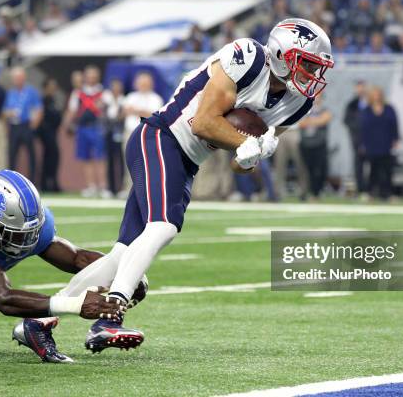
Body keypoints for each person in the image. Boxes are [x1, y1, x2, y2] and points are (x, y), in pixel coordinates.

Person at [50, 18, 334, 352]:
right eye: (308, 65)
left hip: (187, 163)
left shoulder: (297, 103)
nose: (313, 76)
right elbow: (203, 122)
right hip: (160, 136)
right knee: (163, 227)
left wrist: (254, 154)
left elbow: (239, 164)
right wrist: (246, 142)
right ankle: (109, 318)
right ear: (282, 55)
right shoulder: (247, 57)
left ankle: (41, 318)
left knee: (122, 254)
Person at [0, 169, 136, 363]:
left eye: (32, 232)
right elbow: (4, 299)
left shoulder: (34, 225)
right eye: (16, 234)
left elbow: (77, 258)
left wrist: (125, 271)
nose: (26, 241)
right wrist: (76, 304)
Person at [63, 65, 113, 198]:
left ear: (98, 77)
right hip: (82, 128)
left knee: (100, 157)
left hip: (98, 127)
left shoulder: (104, 93)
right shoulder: (78, 93)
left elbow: (111, 111)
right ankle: (91, 186)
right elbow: (72, 110)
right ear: (85, 77)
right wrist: (66, 124)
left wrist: (102, 107)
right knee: (86, 158)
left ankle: (103, 186)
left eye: (94, 76)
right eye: (89, 76)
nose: (91, 78)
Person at [120, 72, 163, 195]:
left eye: (146, 83)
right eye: (141, 83)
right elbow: (124, 112)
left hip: (147, 134)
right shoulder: (131, 96)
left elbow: (153, 115)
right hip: (130, 132)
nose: (143, 85)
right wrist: (140, 111)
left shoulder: (155, 98)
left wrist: (136, 110)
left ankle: (146, 189)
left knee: (147, 162)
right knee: (129, 161)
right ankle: (128, 188)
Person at [4, 66, 43, 182]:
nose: (18, 80)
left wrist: (33, 126)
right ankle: (10, 181)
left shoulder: (31, 92)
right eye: (15, 78)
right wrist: (9, 114)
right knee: (12, 155)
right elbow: (4, 111)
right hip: (14, 126)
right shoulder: (10, 93)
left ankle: (33, 182)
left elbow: (39, 109)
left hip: (26, 125)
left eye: (20, 77)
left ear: (24, 78)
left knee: (31, 155)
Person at [361, 86, 399, 200]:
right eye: (374, 94)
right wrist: (363, 143)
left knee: (387, 170)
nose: (377, 96)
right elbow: (363, 128)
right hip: (372, 144)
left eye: (378, 94)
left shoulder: (389, 109)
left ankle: (387, 193)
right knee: (373, 170)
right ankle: (371, 193)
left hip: (386, 143)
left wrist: (396, 139)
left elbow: (394, 125)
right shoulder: (367, 110)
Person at [298, 94, 331, 199]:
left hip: (319, 144)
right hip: (306, 144)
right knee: (307, 169)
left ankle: (317, 191)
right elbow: (300, 123)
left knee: (319, 169)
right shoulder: (305, 110)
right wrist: (315, 121)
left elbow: (324, 119)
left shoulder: (324, 110)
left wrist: (310, 121)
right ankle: (308, 191)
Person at [343, 80, 368, 194]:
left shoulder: (370, 103)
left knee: (374, 162)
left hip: (371, 139)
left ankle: (372, 188)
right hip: (357, 139)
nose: (361, 90)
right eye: (359, 87)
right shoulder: (352, 104)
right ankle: (361, 188)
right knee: (358, 164)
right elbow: (347, 120)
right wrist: (357, 127)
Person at [37, 78, 62, 192]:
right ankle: (45, 184)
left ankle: (52, 183)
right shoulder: (43, 101)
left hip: (53, 132)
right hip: (46, 132)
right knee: (49, 158)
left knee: (54, 158)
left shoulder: (53, 100)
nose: (53, 89)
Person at [105, 79, 126, 195]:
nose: (116, 89)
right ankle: (110, 188)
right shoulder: (106, 100)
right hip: (109, 133)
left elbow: (122, 117)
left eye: (118, 87)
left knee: (122, 160)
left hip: (120, 132)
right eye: (114, 87)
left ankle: (121, 188)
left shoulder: (124, 100)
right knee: (110, 160)